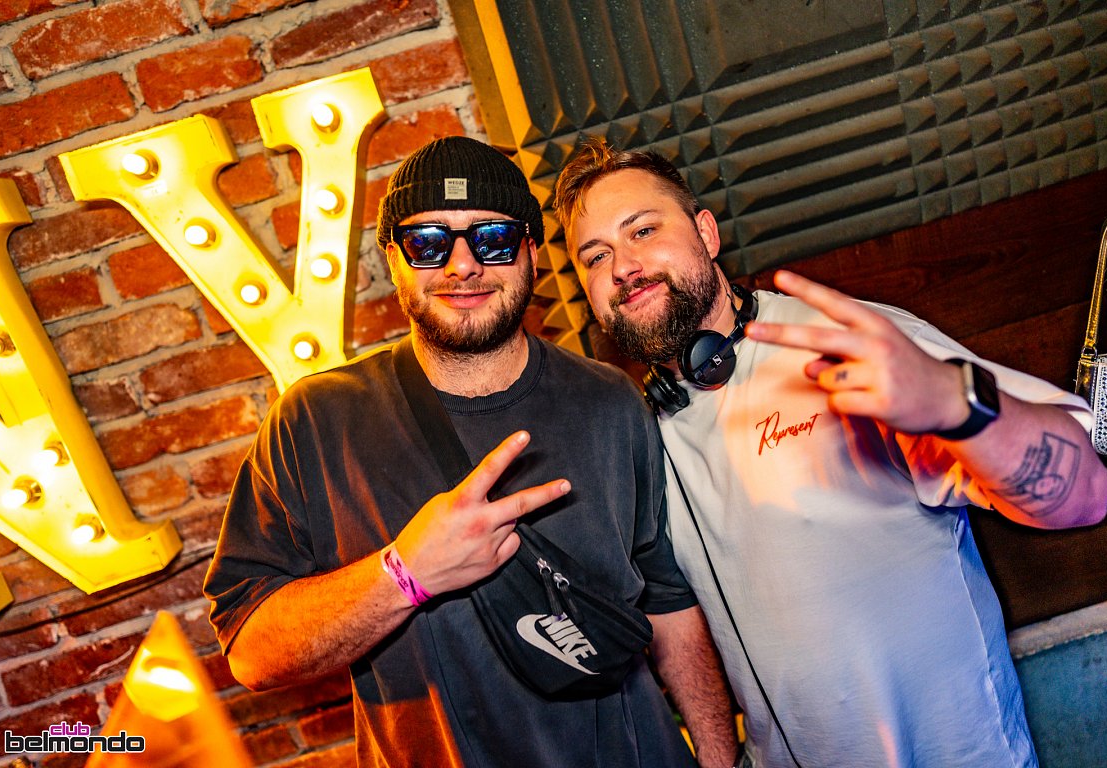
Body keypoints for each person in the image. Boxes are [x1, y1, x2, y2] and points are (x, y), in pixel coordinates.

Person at [553, 137, 1107, 768]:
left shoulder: (842, 346)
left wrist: (954, 404)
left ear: (706, 233)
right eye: (595, 257)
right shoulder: (640, 429)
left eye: (643, 230)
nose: (623, 267)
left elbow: (1085, 495)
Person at [203, 136, 739, 768]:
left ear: (531, 254)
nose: (462, 265)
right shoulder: (316, 421)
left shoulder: (610, 401)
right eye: (429, 242)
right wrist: (403, 575)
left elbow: (669, 605)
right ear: (394, 260)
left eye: (493, 238)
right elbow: (251, 651)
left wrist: (719, 758)